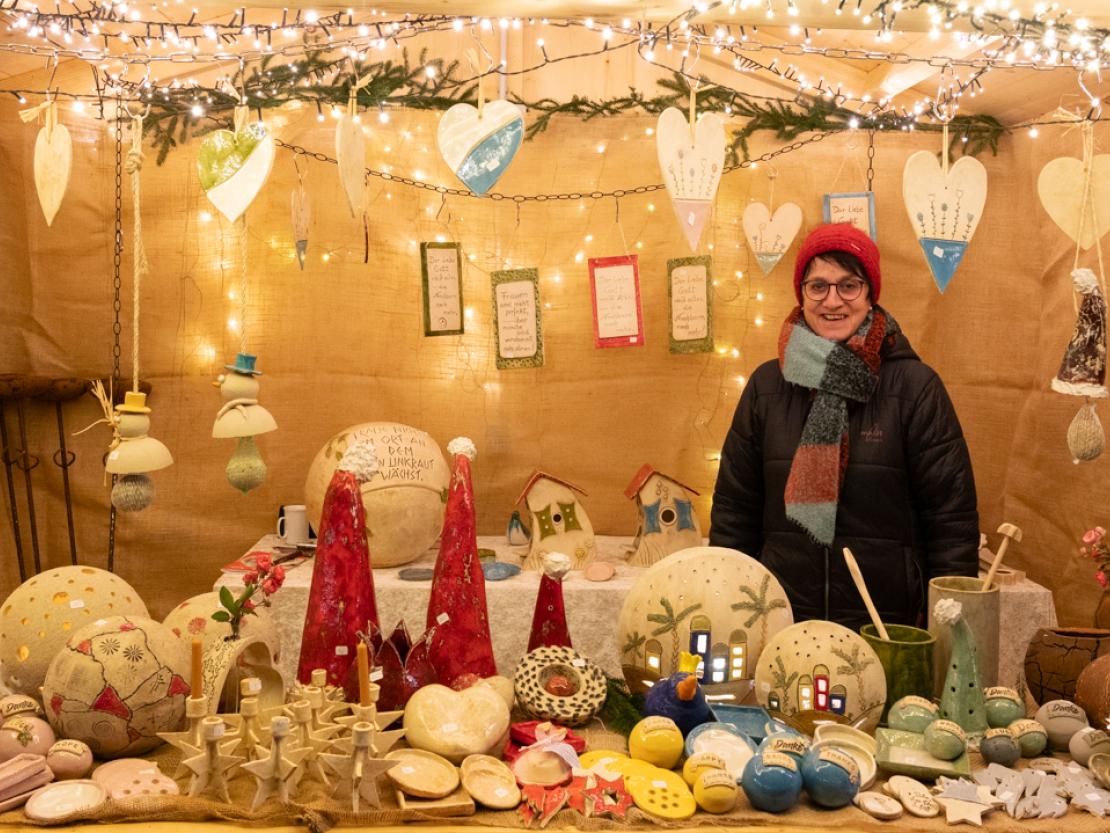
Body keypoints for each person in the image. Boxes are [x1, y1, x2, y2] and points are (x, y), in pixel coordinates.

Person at [709, 223, 979, 629]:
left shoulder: (916, 389)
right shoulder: (766, 388)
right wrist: (732, 606)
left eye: (848, 285)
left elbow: (951, 524)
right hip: (782, 622)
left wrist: (947, 625)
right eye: (818, 286)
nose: (832, 300)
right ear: (801, 295)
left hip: (888, 627)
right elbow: (734, 515)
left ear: (870, 296)